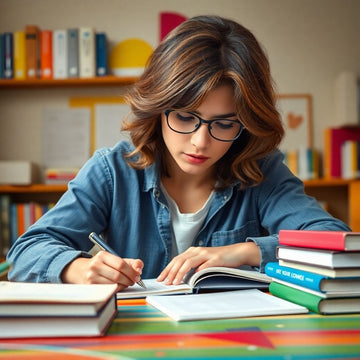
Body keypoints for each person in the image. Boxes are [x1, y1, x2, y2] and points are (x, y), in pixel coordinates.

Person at [7, 15, 350, 289]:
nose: (201, 142)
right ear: (158, 109)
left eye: (225, 124)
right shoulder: (112, 170)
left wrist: (245, 252)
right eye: (185, 117)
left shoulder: (262, 171)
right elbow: (26, 251)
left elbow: (334, 241)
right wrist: (78, 269)